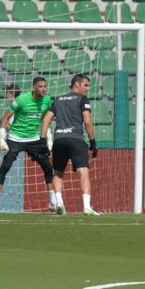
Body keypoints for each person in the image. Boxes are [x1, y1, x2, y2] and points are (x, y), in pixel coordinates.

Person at [0, 77, 56, 214]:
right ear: (34, 87)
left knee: (48, 167)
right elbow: (5, 118)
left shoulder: (47, 100)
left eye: (45, 86)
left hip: (34, 139)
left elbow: (46, 120)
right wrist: (2, 137)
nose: (43, 89)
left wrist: (49, 138)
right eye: (40, 86)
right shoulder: (21, 100)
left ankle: (53, 201)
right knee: (6, 166)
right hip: (15, 138)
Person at [39, 74, 99, 216]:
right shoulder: (82, 99)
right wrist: (93, 141)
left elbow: (45, 120)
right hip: (76, 139)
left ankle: (59, 203)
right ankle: (86, 206)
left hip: (59, 140)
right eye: (86, 85)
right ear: (77, 85)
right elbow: (88, 121)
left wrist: (43, 140)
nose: (88, 89)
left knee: (58, 173)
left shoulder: (58, 100)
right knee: (83, 171)